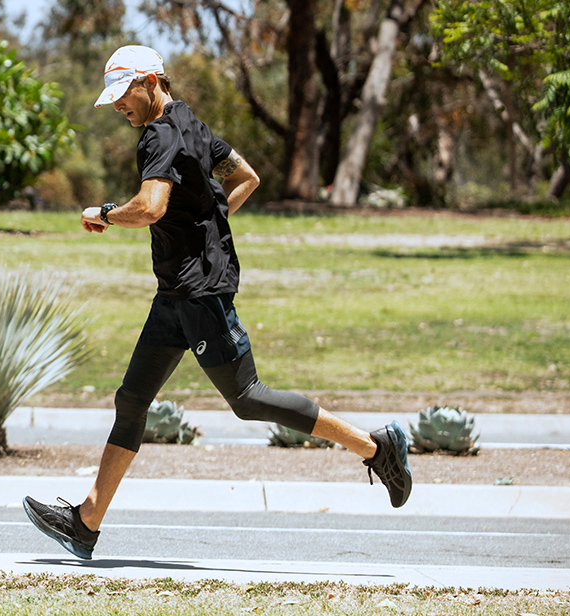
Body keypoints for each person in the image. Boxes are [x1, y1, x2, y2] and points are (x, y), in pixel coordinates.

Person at [22, 46, 413, 560]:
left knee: (247, 397)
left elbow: (151, 206)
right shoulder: (190, 122)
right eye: (114, 100)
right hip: (176, 293)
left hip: (200, 294)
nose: (119, 107)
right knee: (132, 399)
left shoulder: (158, 135)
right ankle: (86, 522)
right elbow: (245, 175)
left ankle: (376, 446)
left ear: (148, 80)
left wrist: (107, 213)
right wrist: (208, 223)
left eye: (123, 95)